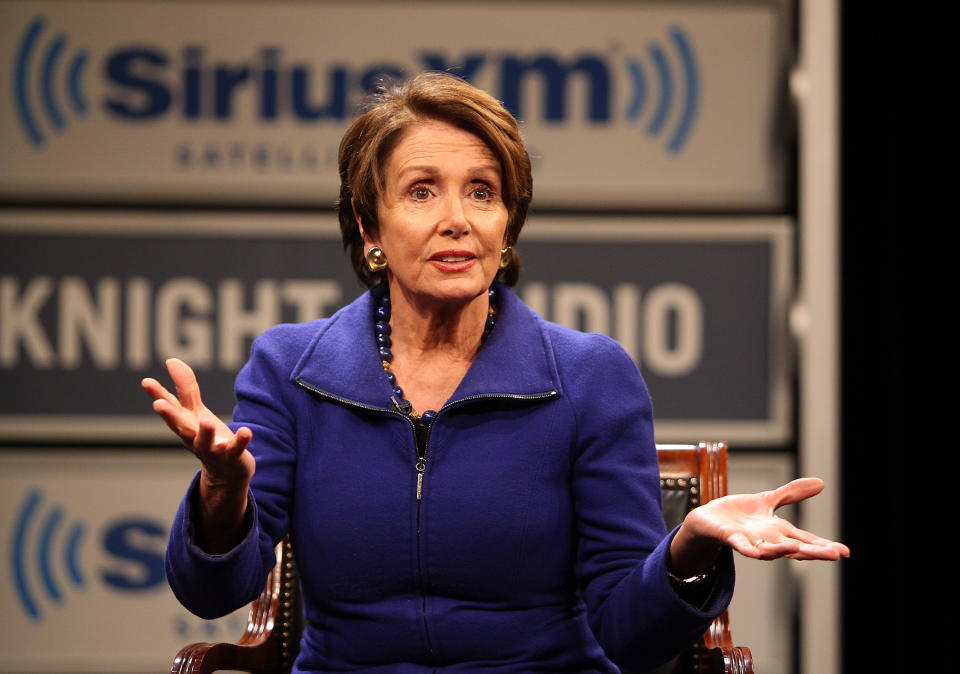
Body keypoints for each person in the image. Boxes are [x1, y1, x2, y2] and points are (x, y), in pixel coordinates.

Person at [143, 72, 848, 673]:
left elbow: (629, 637)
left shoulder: (590, 377)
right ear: (368, 225)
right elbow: (211, 593)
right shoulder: (291, 370)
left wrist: (686, 547)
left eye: (482, 192)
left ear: (508, 223)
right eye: (422, 191)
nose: (458, 219)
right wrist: (222, 491)